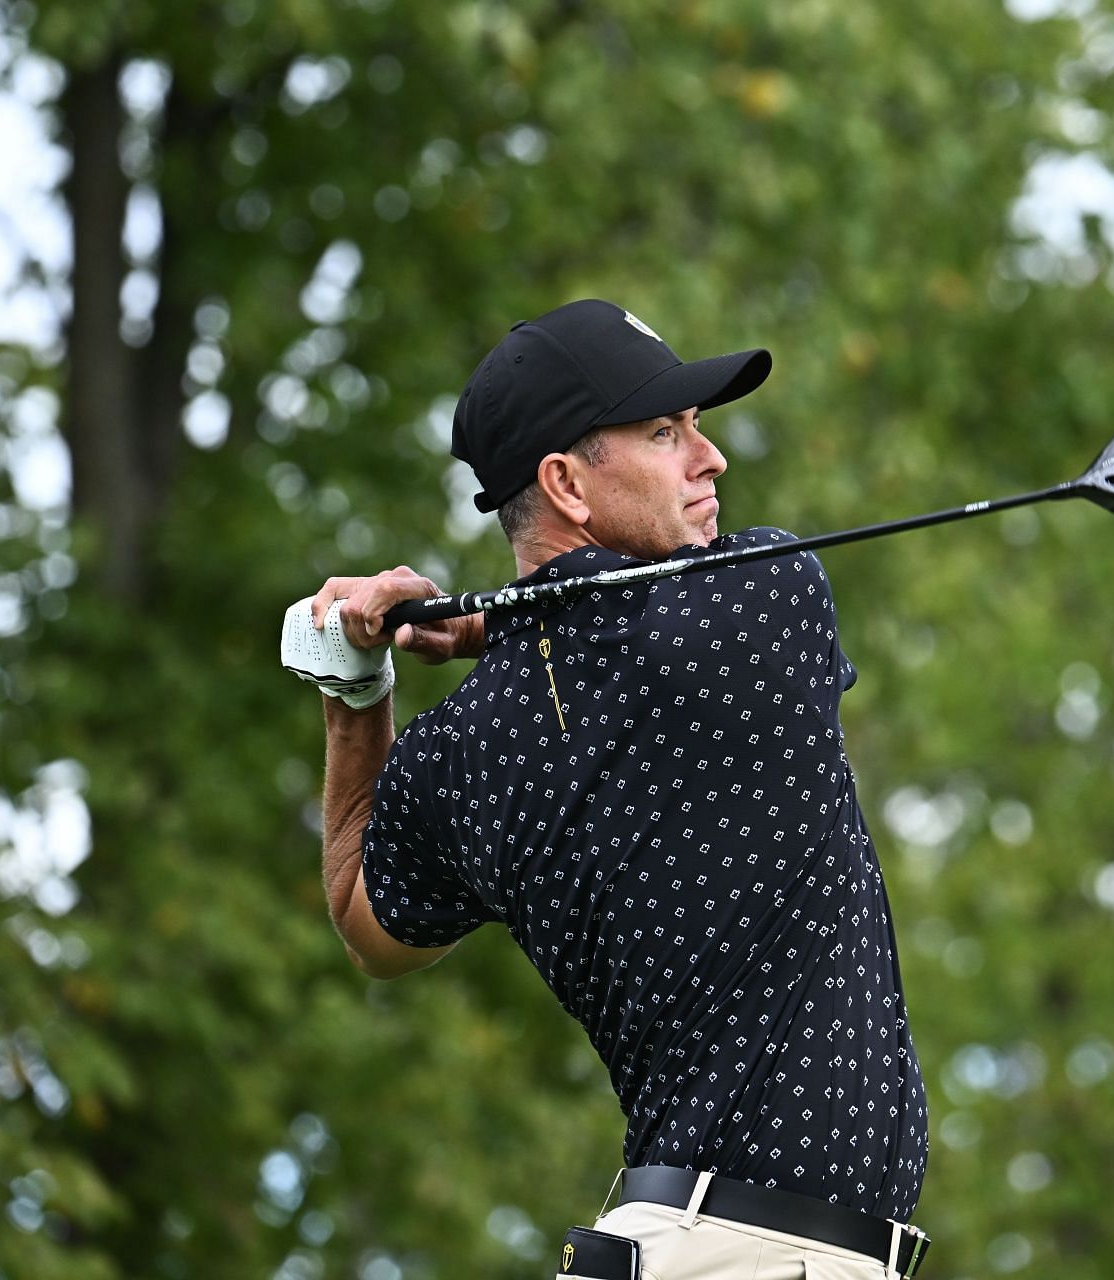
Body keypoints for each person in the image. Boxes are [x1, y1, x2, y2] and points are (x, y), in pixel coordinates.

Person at [298, 299, 931, 1278]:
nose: (708, 457)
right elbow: (627, 636)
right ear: (565, 482)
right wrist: (491, 626)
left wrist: (355, 688)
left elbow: (363, 917)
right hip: (763, 1255)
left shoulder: (463, 750)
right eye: (665, 432)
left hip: (674, 1240)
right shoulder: (766, 597)